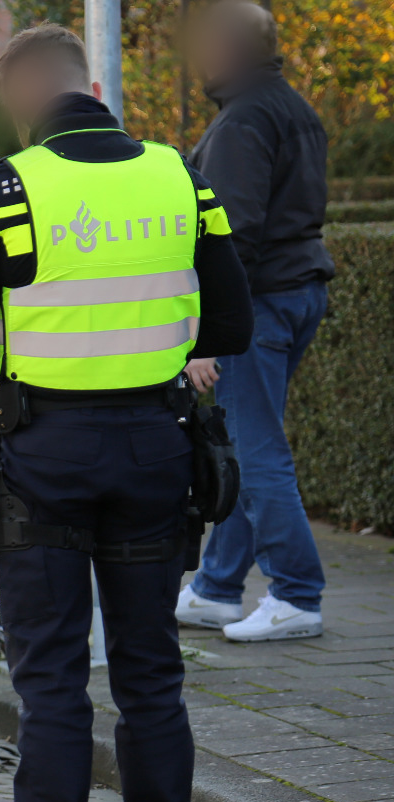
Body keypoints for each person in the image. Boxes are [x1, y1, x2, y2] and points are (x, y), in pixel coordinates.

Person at [0, 24, 254, 802]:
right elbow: (227, 318)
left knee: (54, 686)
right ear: (91, 82)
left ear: (21, 94)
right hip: (156, 451)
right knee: (153, 678)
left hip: (47, 457)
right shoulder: (178, 177)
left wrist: (10, 337)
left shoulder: (4, 192)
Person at [176, 0, 334, 642]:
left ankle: (297, 594)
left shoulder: (243, 121)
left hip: (261, 302)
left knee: (257, 451)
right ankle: (216, 589)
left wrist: (209, 332)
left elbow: (232, 236)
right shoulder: (293, 109)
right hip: (296, 292)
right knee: (246, 444)